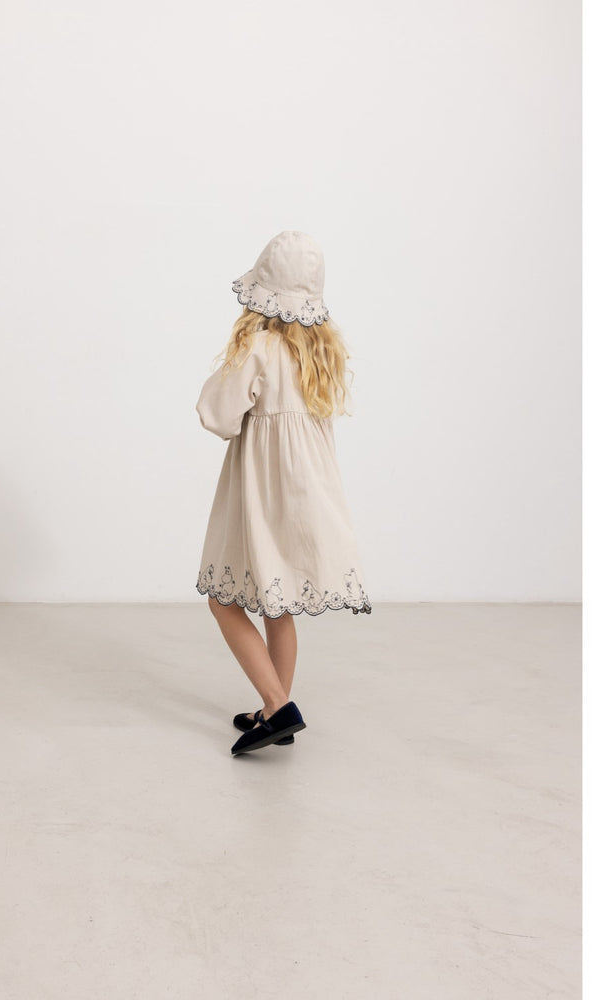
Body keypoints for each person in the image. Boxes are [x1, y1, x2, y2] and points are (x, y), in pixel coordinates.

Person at [194, 230, 372, 756]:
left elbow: (217, 415)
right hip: (308, 496)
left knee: (223, 601)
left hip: (264, 497)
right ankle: (276, 711)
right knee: (280, 601)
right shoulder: (319, 355)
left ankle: (278, 703)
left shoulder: (259, 349)